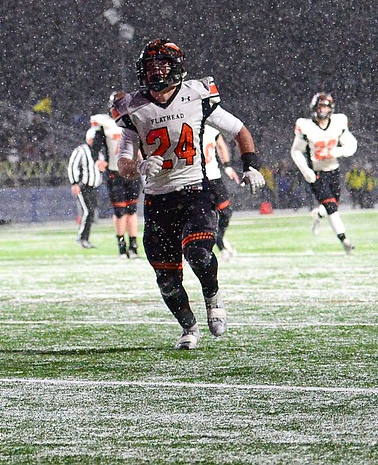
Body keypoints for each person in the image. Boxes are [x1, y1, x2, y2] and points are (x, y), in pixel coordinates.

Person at [114, 40, 266, 349]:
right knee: (167, 280)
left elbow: (239, 130)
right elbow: (123, 164)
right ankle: (189, 328)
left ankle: (213, 296)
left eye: (161, 66)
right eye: (150, 68)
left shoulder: (196, 95)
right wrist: (140, 165)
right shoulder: (133, 107)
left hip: (196, 190)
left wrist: (250, 166)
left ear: (176, 68)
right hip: (157, 200)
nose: (155, 73)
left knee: (198, 253)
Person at [292, 92, 358, 253]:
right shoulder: (305, 125)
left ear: (331, 109)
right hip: (316, 173)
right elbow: (296, 151)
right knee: (331, 207)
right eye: (319, 106)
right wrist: (306, 170)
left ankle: (318, 215)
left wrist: (336, 152)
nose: (321, 110)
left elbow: (352, 145)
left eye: (324, 106)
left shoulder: (338, 122)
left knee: (333, 205)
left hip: (333, 170)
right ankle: (345, 240)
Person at [88, 92, 141, 258]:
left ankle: (133, 246)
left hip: (132, 171)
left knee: (132, 210)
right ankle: (121, 246)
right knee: (120, 211)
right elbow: (94, 145)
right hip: (115, 172)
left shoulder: (134, 121)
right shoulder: (105, 124)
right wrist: (98, 159)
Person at [201, 124, 241, 261]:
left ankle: (219, 239)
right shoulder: (188, 126)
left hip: (213, 176)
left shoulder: (210, 126)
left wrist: (227, 165)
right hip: (195, 178)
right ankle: (218, 245)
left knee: (225, 211)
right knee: (201, 217)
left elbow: (221, 145)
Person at [66, 140, 102, 249]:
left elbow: (100, 167)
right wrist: (75, 183)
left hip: (93, 186)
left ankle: (85, 237)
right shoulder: (81, 150)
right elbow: (72, 166)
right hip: (84, 186)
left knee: (90, 212)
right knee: (88, 211)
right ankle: (82, 237)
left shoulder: (98, 152)